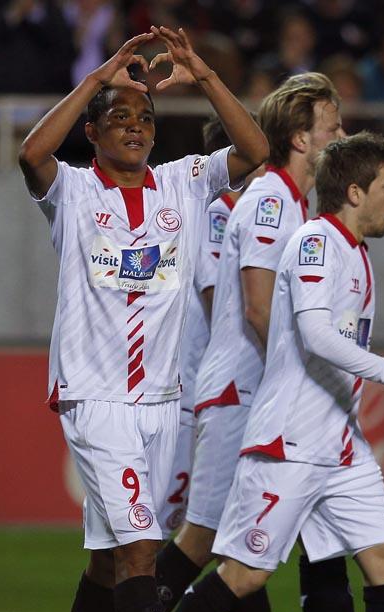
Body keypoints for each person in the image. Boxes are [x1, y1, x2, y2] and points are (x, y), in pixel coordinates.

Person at [17, 27, 267, 612]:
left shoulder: (182, 183)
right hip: (96, 397)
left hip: (161, 400)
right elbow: (31, 154)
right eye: (120, 116)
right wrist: (99, 79)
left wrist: (203, 75)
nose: (136, 126)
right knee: (140, 552)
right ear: (93, 131)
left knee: (109, 561)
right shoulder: (74, 192)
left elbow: (256, 152)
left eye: (146, 119)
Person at [167, 131, 384, 612]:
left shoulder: (355, 250)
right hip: (289, 442)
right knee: (244, 575)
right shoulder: (316, 243)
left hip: (339, 443)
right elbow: (316, 335)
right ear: (356, 192)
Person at [156, 72, 352, 612]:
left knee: (240, 547)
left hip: (254, 392)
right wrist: (309, 376)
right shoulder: (269, 202)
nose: (342, 136)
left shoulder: (295, 204)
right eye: (333, 128)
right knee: (203, 538)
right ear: (300, 138)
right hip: (239, 389)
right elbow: (258, 308)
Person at [154, 116, 263, 543]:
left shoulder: (243, 215)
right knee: (168, 522)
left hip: (210, 392)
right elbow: (217, 298)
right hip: (191, 392)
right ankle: (119, 610)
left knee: (215, 527)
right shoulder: (216, 212)